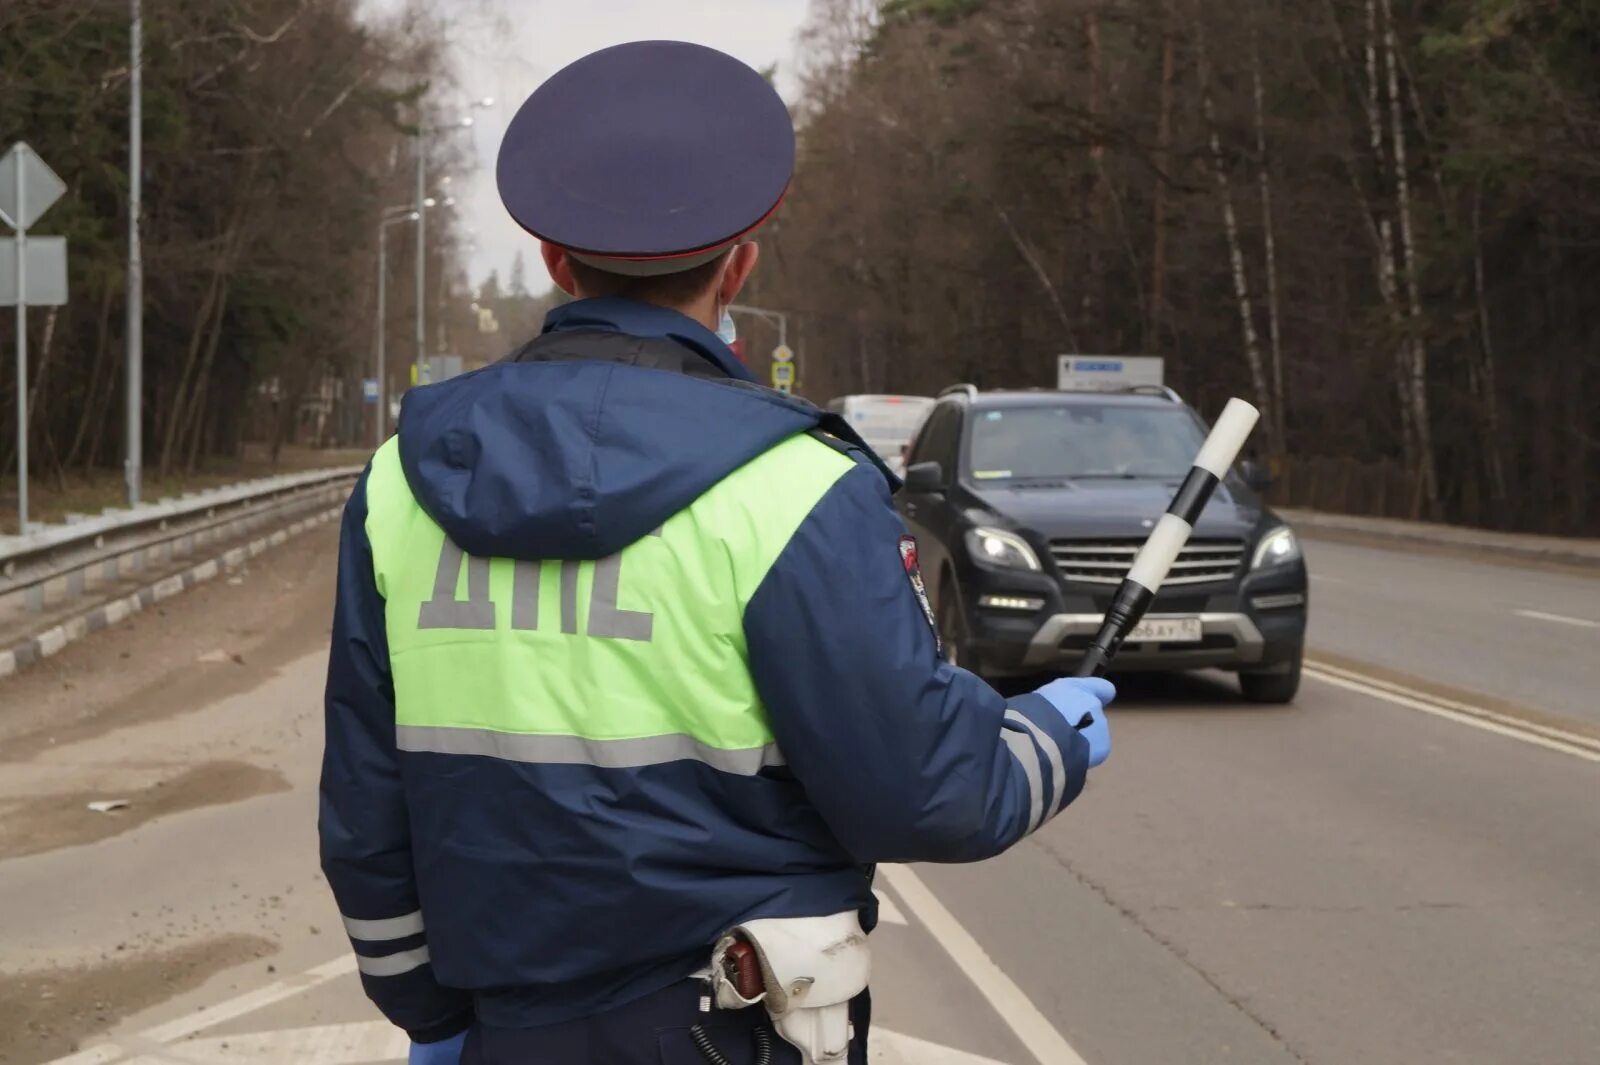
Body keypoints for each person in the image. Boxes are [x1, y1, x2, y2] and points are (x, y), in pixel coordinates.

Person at [318, 40, 1114, 1065]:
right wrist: (1043, 739)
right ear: (740, 263)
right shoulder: (794, 487)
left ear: (556, 263)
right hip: (741, 1025)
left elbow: (365, 806)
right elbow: (922, 787)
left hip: (505, 1030)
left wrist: (432, 1015)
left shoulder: (398, 484)